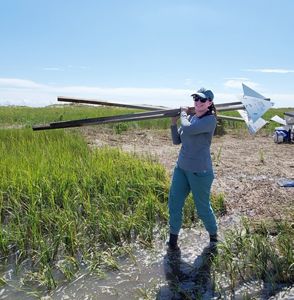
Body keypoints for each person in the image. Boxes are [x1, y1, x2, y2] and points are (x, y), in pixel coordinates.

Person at [167, 88, 218, 252]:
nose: (198, 102)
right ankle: (173, 242)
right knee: (174, 203)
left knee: (202, 208)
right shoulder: (190, 117)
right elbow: (177, 141)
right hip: (181, 168)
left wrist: (182, 113)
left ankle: (214, 239)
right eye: (196, 99)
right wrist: (173, 123)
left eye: (202, 100)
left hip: (200, 172)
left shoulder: (210, 120)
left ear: (209, 103)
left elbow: (188, 128)